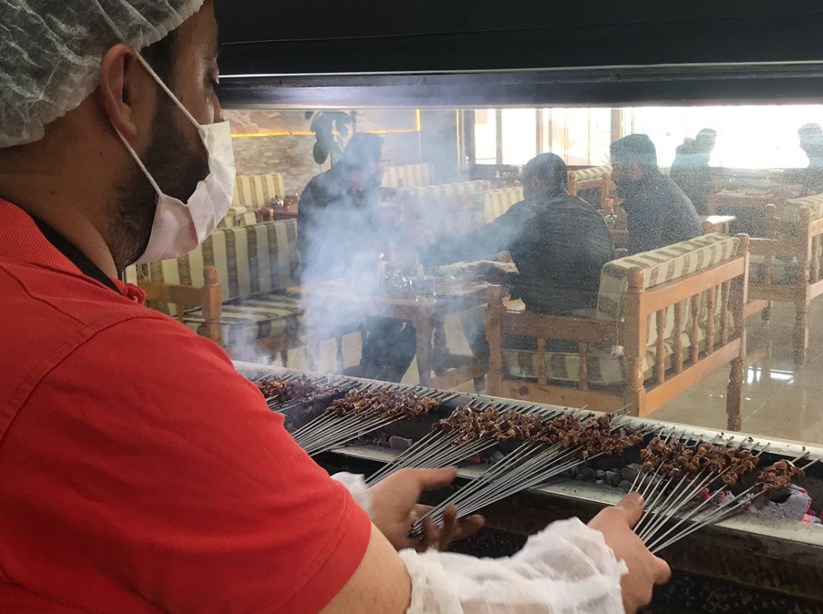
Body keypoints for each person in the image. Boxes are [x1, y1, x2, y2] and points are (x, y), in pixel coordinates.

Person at [0, 2, 670, 612]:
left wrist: (337, 522)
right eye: (210, 80)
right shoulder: (115, 370)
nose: (217, 117)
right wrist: (588, 571)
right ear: (126, 90)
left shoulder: (37, 298)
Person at [423, 153, 615, 362]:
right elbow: (561, 273)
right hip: (599, 327)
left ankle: (508, 380)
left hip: (562, 330)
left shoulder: (528, 213)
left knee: (475, 320)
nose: (523, 191)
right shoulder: (588, 210)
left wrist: (424, 255)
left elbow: (475, 244)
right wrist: (508, 277)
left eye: (524, 184)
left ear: (536, 182)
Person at [298, 133, 417, 383]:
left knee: (406, 321)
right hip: (327, 283)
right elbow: (319, 248)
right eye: (385, 160)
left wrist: (397, 242)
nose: (386, 166)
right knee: (394, 320)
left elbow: (375, 234)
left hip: (363, 280)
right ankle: (372, 387)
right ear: (370, 163)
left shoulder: (368, 189)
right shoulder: (323, 189)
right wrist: (365, 255)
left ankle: (373, 385)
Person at [610, 134, 703, 254]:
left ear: (635, 167)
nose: (612, 176)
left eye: (616, 167)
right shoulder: (662, 185)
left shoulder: (645, 201)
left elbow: (641, 256)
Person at [670, 128, 718, 214]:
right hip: (691, 208)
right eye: (711, 144)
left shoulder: (686, 155)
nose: (712, 148)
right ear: (701, 142)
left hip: (680, 206)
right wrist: (712, 185)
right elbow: (695, 187)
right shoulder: (695, 160)